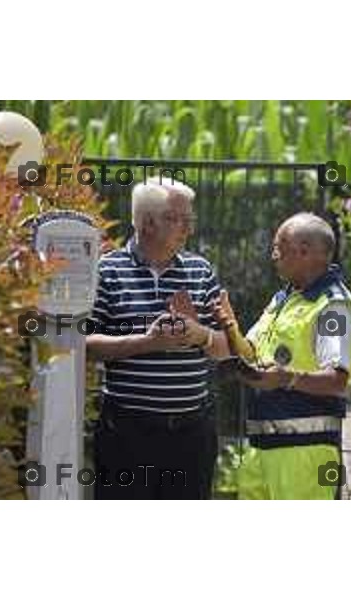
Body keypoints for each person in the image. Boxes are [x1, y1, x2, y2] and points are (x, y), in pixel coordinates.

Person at [86, 178, 229, 499]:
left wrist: (200, 335)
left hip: (192, 436)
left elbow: (230, 347)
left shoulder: (200, 270)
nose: (188, 229)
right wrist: (149, 342)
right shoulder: (106, 270)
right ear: (148, 223)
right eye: (179, 219)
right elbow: (84, 346)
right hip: (126, 434)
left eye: (191, 220)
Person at [213, 212, 351, 499]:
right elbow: (253, 354)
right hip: (261, 447)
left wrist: (286, 378)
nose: (273, 255)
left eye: (278, 247)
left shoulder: (334, 307)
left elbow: (337, 379)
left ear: (304, 251)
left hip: (305, 454)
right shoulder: (283, 299)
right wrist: (230, 327)